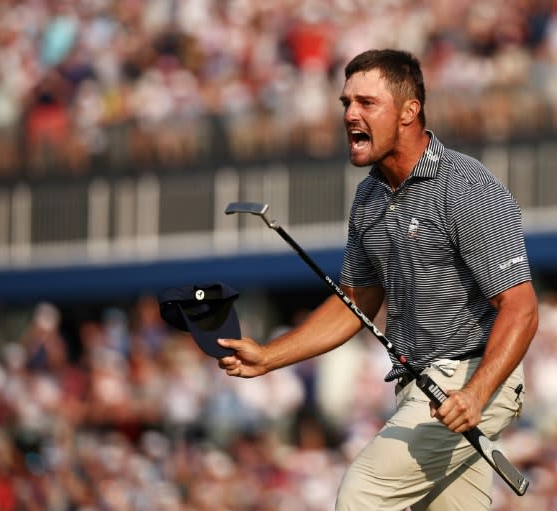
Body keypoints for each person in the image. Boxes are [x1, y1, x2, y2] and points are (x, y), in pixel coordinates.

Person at [217, 48, 539, 511]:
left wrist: (476, 393)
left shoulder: (466, 187)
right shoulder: (369, 198)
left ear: (410, 111)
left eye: (367, 103)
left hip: (473, 380)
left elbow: (521, 309)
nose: (350, 114)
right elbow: (356, 303)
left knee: (360, 494)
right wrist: (270, 356)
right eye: (346, 103)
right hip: (420, 392)